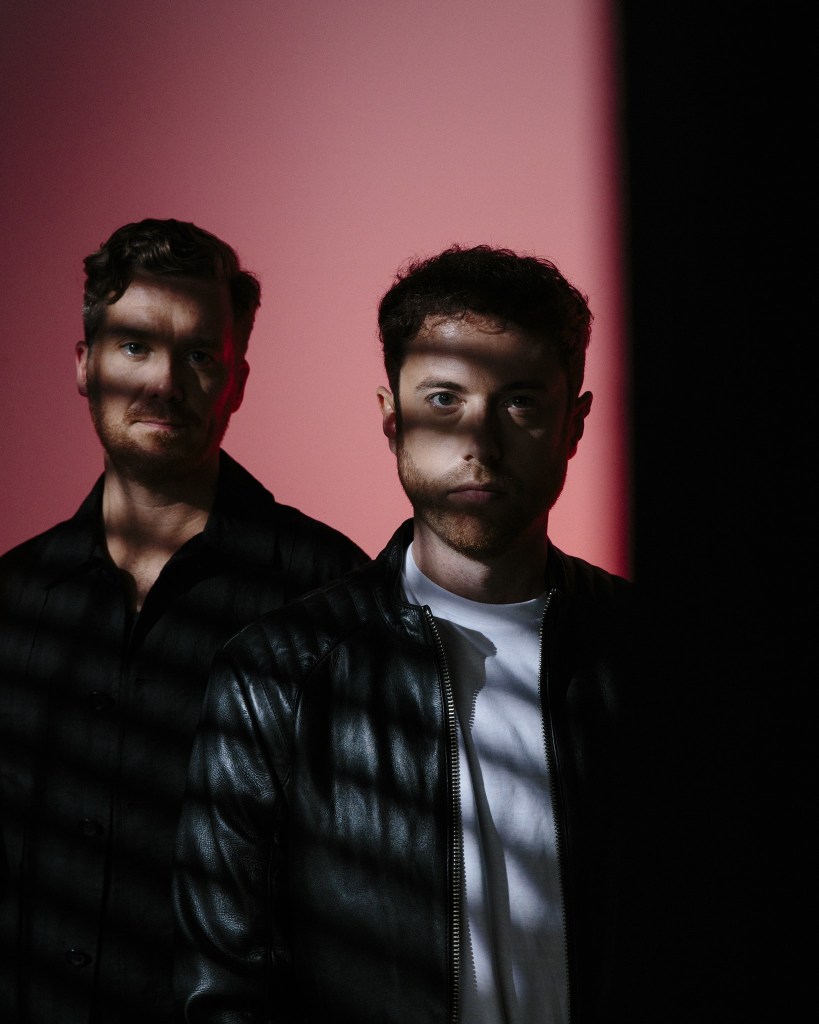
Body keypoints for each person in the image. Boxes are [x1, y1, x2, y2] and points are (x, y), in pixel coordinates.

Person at [173, 244, 646, 1024]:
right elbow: (225, 990)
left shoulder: (651, 657)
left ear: (574, 424)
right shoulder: (275, 678)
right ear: (391, 419)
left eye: (519, 402)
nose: (479, 443)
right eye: (443, 400)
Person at [0, 218, 368, 1024]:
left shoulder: (329, 593)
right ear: (84, 364)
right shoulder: (14, 598)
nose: (164, 383)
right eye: (135, 346)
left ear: (236, 382)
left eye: (199, 355)